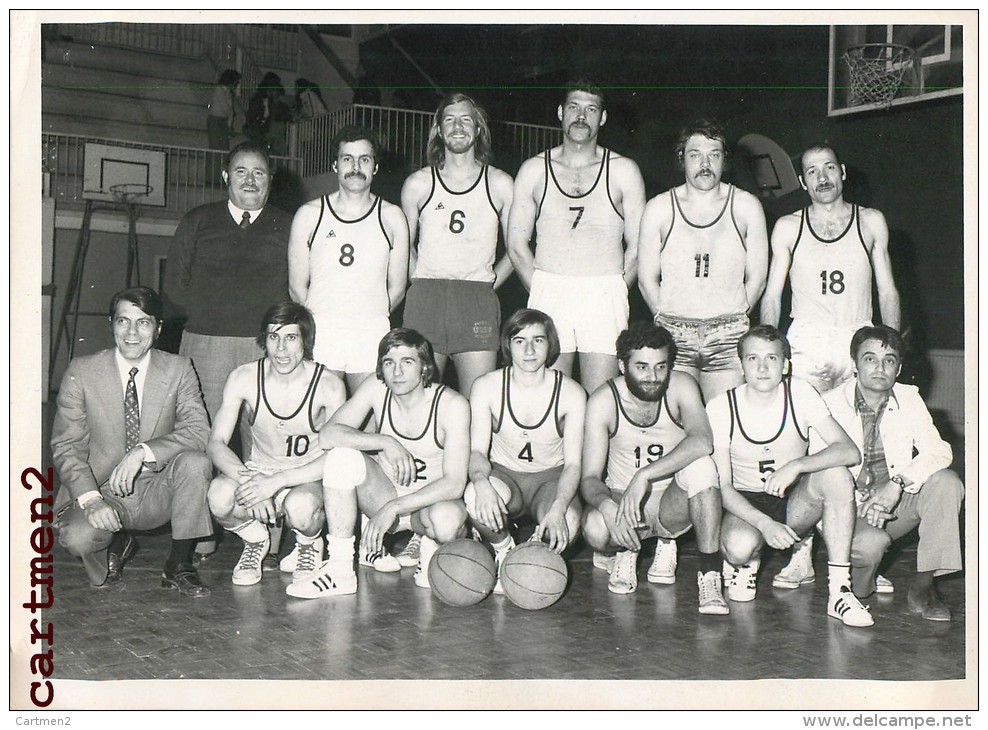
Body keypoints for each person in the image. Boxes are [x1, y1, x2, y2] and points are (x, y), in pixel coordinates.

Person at [760, 144, 902, 588]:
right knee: (802, 450)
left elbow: (888, 290)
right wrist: (768, 348)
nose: (821, 178)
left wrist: (890, 346)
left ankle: (861, 553)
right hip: (806, 341)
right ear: (802, 181)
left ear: (842, 172)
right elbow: (771, 294)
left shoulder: (870, 221)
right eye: (811, 172)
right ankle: (801, 553)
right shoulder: (788, 227)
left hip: (856, 337)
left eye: (828, 168)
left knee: (864, 444)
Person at [164, 142, 291, 561]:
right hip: (206, 342)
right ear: (225, 176)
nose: (250, 180)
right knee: (203, 436)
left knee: (263, 439)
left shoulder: (287, 224)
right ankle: (200, 530)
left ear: (271, 180)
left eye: (259, 173)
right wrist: (217, 315)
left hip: (265, 347)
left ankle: (266, 530)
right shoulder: (199, 220)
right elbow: (174, 285)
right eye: (241, 172)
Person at [706, 325, 873, 627]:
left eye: (772, 358)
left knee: (836, 475)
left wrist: (796, 466)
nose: (762, 367)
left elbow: (849, 451)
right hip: (745, 503)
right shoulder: (720, 407)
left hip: (791, 500)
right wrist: (764, 524)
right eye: (753, 358)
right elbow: (724, 488)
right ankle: (747, 562)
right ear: (741, 365)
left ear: (785, 365)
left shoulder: (800, 392)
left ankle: (840, 590)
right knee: (739, 547)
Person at [51, 287, 213, 597]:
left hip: (159, 488)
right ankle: (117, 541)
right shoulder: (82, 372)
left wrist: (143, 452)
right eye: (123, 321)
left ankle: (179, 564)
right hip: (104, 490)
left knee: (196, 461)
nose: (132, 332)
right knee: (78, 538)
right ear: (111, 323)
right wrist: (92, 499)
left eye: (144, 322)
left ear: (158, 328)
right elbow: (66, 446)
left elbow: (197, 430)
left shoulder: (179, 369)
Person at [286, 328, 471, 598]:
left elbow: (454, 484)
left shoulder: (452, 404)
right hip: (383, 495)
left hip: (425, 507)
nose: (396, 372)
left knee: (447, 520)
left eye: (407, 362)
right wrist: (384, 441)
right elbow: (328, 434)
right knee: (341, 456)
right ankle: (340, 570)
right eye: (388, 363)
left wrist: (394, 508)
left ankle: (429, 545)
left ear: (425, 367)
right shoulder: (376, 388)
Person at [508, 80, 646, 396]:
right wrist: (542, 285)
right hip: (550, 287)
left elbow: (640, 245)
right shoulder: (534, 169)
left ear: (603, 117)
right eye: (573, 107)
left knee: (602, 396)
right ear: (560, 112)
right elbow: (516, 243)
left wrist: (617, 287)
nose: (581, 116)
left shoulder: (624, 170)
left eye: (591, 109)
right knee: (551, 395)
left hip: (604, 290)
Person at [580, 322, 729, 615]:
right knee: (596, 528)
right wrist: (607, 506)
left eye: (661, 367)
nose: (653, 377)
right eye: (642, 367)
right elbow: (589, 478)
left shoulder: (682, 385)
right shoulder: (603, 400)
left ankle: (708, 573)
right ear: (622, 366)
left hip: (672, 502)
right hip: (625, 503)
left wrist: (644, 475)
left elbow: (702, 440)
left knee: (703, 465)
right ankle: (626, 551)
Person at [821, 326, 961, 621]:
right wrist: (859, 500)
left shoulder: (908, 398)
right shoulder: (828, 403)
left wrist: (897, 484)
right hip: (847, 509)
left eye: (889, 360)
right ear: (855, 364)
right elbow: (818, 470)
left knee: (947, 484)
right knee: (870, 549)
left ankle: (924, 588)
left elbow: (940, 452)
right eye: (870, 359)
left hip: (894, 504)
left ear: (898, 368)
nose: (880, 367)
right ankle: (858, 585)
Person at [205, 302, 346, 589]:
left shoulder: (329, 385)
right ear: (263, 341)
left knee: (302, 507)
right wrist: (252, 484)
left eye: (291, 338)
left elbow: (337, 456)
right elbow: (216, 443)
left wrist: (277, 482)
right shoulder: (244, 377)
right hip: (259, 470)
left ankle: (309, 544)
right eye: (273, 337)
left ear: (305, 341)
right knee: (219, 495)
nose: (281, 349)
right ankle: (256, 539)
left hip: (304, 476)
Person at [638, 119, 769, 403]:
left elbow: (758, 276)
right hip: (673, 331)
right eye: (696, 154)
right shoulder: (659, 208)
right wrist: (666, 319)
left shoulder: (746, 206)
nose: (705, 163)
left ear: (725, 160)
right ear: (682, 158)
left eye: (714, 154)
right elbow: (646, 278)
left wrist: (736, 315)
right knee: (676, 424)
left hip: (728, 332)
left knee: (723, 425)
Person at [400, 92, 514, 396]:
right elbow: (402, 245)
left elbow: (516, 248)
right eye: (449, 119)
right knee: (419, 398)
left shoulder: (500, 183)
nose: (458, 126)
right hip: (427, 297)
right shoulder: (419, 184)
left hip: (476, 296)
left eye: (466, 119)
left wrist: (489, 284)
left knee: (477, 401)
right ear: (438, 129)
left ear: (478, 129)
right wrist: (418, 278)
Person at [465, 309, 586, 589]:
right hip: (506, 476)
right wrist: (481, 481)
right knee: (475, 497)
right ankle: (503, 549)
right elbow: (477, 453)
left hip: (550, 480)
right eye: (520, 341)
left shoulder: (571, 392)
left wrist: (558, 507)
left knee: (567, 523)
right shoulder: (487, 386)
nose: (529, 350)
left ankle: (533, 555)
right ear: (507, 345)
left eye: (538, 340)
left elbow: (573, 465)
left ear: (550, 344)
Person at [289, 126, 409, 393]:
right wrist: (321, 321)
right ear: (335, 164)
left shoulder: (392, 216)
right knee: (320, 418)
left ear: (375, 167)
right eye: (347, 159)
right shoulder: (309, 214)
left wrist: (369, 314)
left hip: (370, 331)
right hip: (322, 330)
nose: (356, 166)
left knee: (368, 421)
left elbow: (398, 287)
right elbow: (297, 287)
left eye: (364, 159)